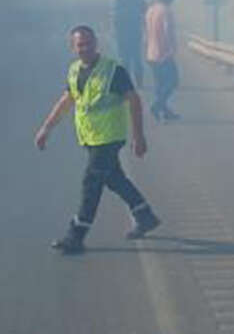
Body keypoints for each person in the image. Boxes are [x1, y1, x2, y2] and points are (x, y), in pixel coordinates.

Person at [34, 25, 161, 254]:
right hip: (91, 138)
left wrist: (139, 136)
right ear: (73, 48)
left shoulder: (114, 71)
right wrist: (46, 128)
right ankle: (145, 215)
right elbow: (67, 100)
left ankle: (76, 235)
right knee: (114, 179)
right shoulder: (74, 71)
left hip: (109, 138)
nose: (85, 48)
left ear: (96, 44)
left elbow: (134, 101)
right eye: (80, 45)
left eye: (89, 44)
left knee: (91, 184)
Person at [145, 0, 180, 121]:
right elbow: (167, 31)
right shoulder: (166, 11)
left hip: (151, 52)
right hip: (163, 53)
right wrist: (172, 48)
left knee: (160, 84)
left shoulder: (151, 9)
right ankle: (157, 106)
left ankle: (165, 111)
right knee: (173, 81)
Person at [111, 0, 147, 86]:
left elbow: (114, 15)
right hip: (132, 31)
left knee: (125, 58)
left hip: (123, 32)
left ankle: (126, 82)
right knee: (135, 58)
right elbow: (144, 9)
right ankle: (138, 82)